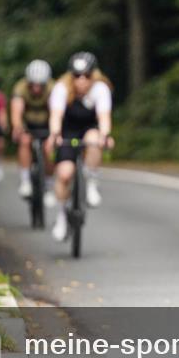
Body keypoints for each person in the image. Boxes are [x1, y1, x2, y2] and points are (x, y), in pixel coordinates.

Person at [48, 52, 114, 242]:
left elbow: (104, 117)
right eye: (77, 76)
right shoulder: (61, 88)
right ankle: (61, 216)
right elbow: (56, 116)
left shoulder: (100, 89)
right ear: (71, 76)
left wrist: (105, 135)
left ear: (94, 75)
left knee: (94, 139)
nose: (82, 80)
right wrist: (55, 135)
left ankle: (91, 181)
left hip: (89, 129)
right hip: (67, 131)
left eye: (86, 75)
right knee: (64, 174)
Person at [10, 59, 55, 201]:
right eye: (33, 84)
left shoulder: (52, 88)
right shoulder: (21, 87)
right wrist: (17, 127)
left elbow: (55, 111)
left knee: (49, 149)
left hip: (47, 124)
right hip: (28, 125)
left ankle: (48, 184)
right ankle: (25, 180)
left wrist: (55, 132)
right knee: (24, 141)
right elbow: (16, 111)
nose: (36, 88)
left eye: (40, 85)